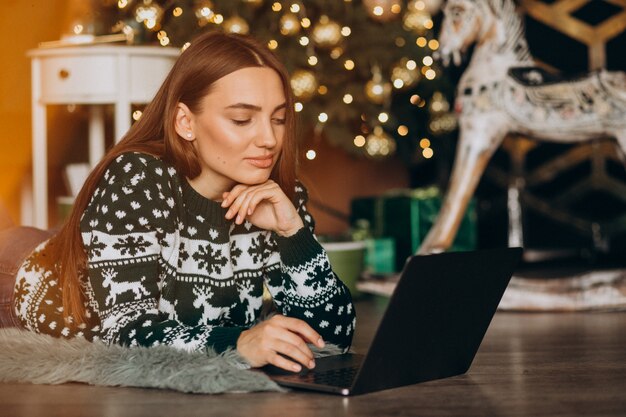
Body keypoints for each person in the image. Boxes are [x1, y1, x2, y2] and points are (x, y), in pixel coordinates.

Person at [2, 31, 355, 373]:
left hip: (92, 245)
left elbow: (332, 337)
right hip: (23, 274)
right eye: (242, 119)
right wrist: (239, 343)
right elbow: (125, 333)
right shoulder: (137, 177)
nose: (269, 138)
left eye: (278, 119)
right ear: (185, 122)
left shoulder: (276, 197)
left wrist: (293, 234)